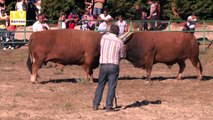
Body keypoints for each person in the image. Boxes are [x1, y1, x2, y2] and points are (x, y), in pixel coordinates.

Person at [93, 24, 126, 112]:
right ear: (118, 32)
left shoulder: (103, 38)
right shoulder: (119, 41)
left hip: (103, 64)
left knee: (101, 85)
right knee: (111, 86)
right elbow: (123, 55)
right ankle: (108, 106)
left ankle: (96, 104)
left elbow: (100, 47)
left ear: (110, 30)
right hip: (113, 65)